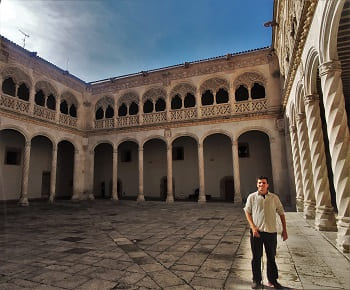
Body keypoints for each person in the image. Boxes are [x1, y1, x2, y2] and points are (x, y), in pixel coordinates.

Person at [244, 176, 288, 289]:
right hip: (257, 233)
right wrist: (253, 227)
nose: (261, 185)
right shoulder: (252, 197)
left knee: (271, 258)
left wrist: (284, 230)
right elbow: (247, 212)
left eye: (263, 183)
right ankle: (256, 280)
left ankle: (273, 280)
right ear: (257, 184)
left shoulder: (274, 198)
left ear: (267, 185)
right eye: (259, 183)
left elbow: (281, 213)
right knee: (256, 257)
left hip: (271, 232)